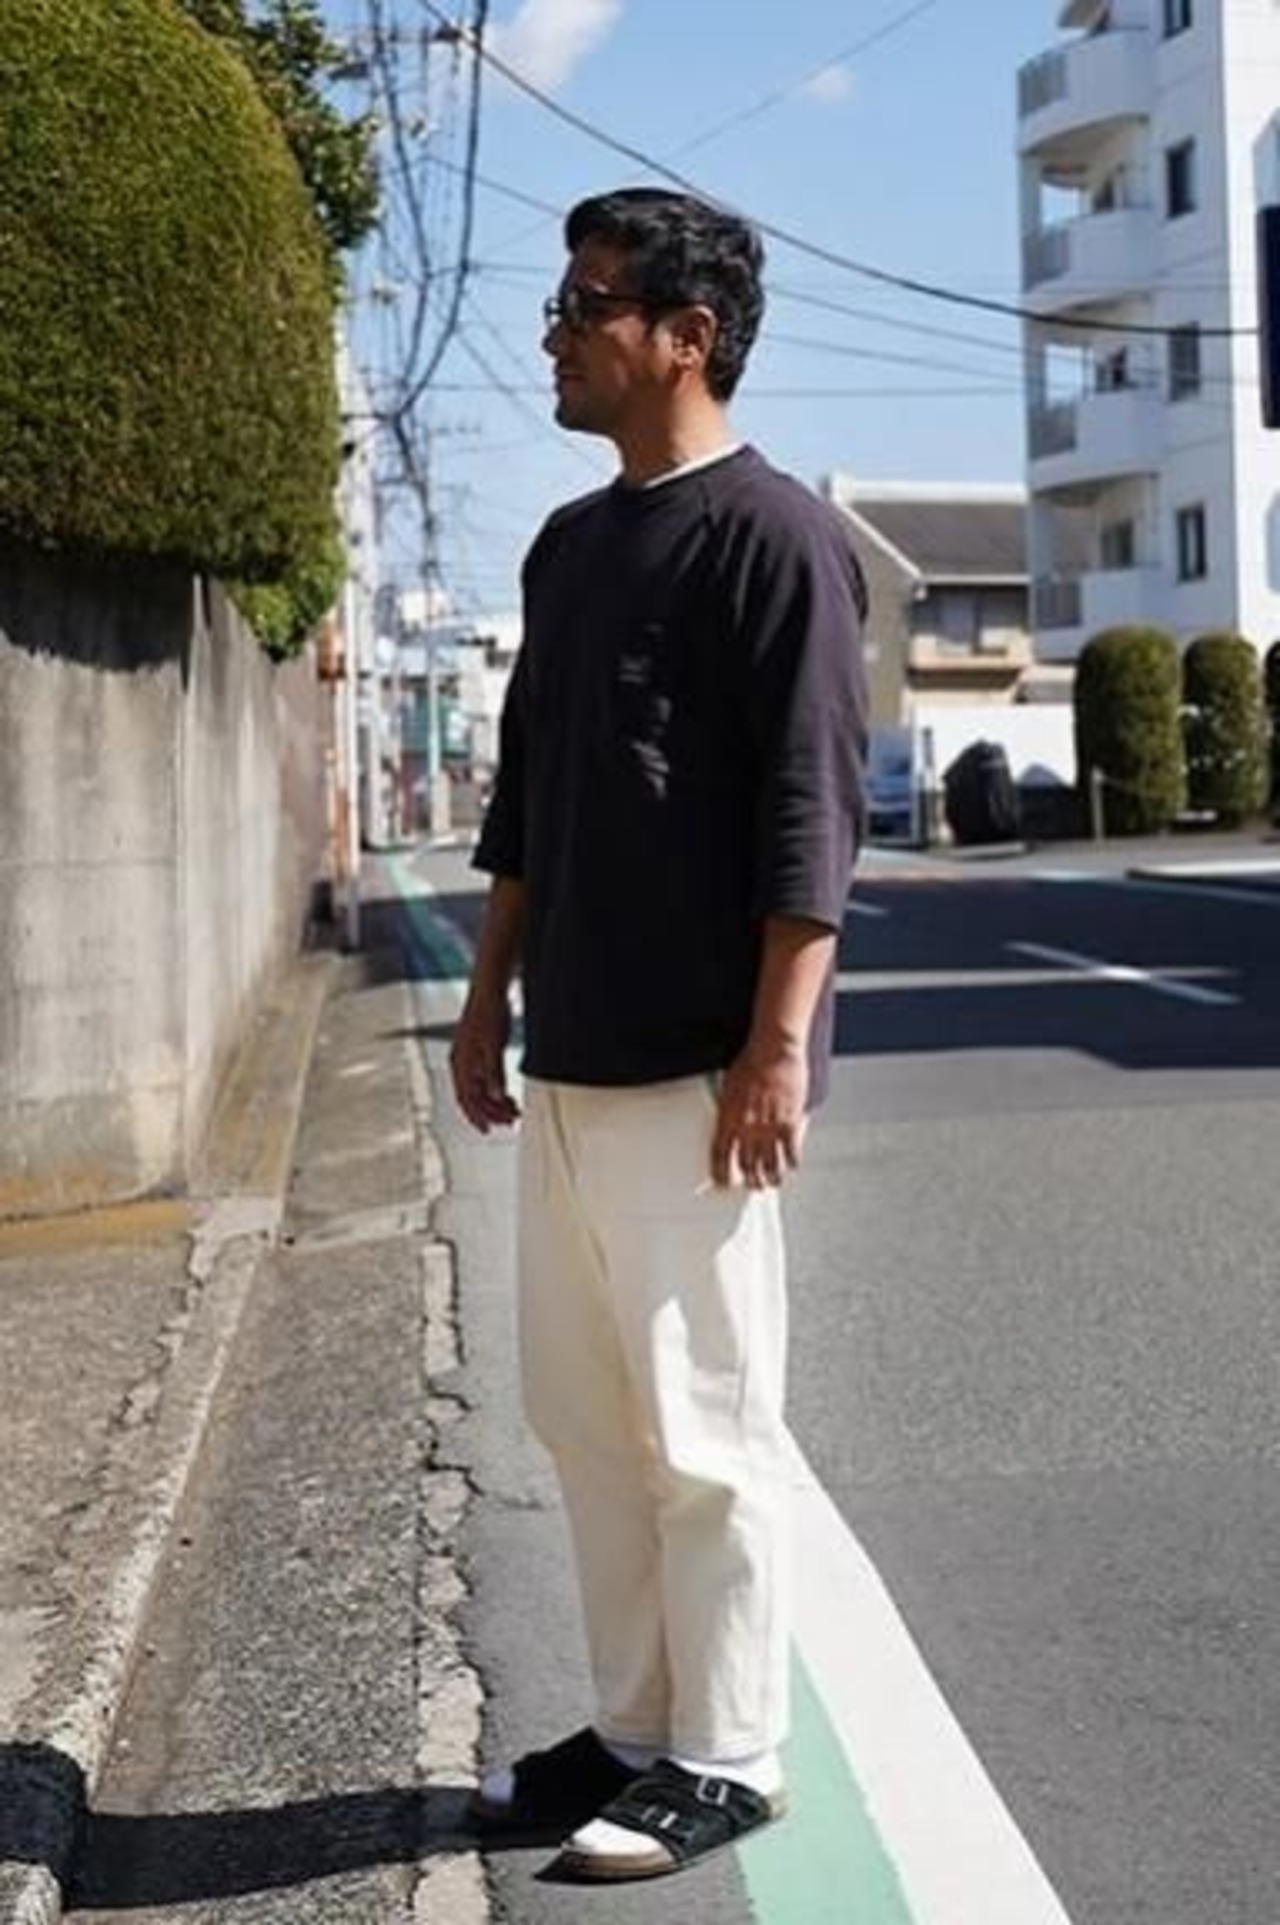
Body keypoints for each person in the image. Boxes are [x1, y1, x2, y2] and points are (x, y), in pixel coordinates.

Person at [449, 185, 867, 1884]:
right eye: (564, 301)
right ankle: (633, 1725)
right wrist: (486, 993)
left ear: (688, 337)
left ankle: (732, 1749)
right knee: (583, 1418)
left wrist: (777, 1047)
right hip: (570, 1055)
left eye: (587, 302)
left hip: (698, 1065)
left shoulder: (777, 540)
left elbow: (810, 810)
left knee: (705, 1430)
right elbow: (526, 799)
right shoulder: (568, 547)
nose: (558, 331)